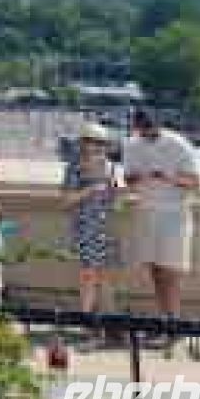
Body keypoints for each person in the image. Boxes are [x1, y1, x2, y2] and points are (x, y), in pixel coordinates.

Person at [122, 107, 200, 318]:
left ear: (159, 125)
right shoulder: (131, 145)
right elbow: (128, 179)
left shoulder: (179, 145)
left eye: (150, 128)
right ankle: (164, 319)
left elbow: (195, 183)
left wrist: (167, 178)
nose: (146, 133)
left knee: (170, 271)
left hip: (174, 214)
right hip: (146, 211)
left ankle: (173, 322)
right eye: (142, 129)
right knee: (155, 269)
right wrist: (141, 177)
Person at [62, 121, 119, 314]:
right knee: (89, 274)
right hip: (84, 226)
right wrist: (91, 189)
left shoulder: (110, 168)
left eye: (100, 142)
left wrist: (114, 193)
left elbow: (114, 200)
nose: (95, 146)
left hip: (105, 227)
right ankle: (87, 317)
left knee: (104, 275)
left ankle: (107, 319)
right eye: (91, 141)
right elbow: (67, 199)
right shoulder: (75, 167)